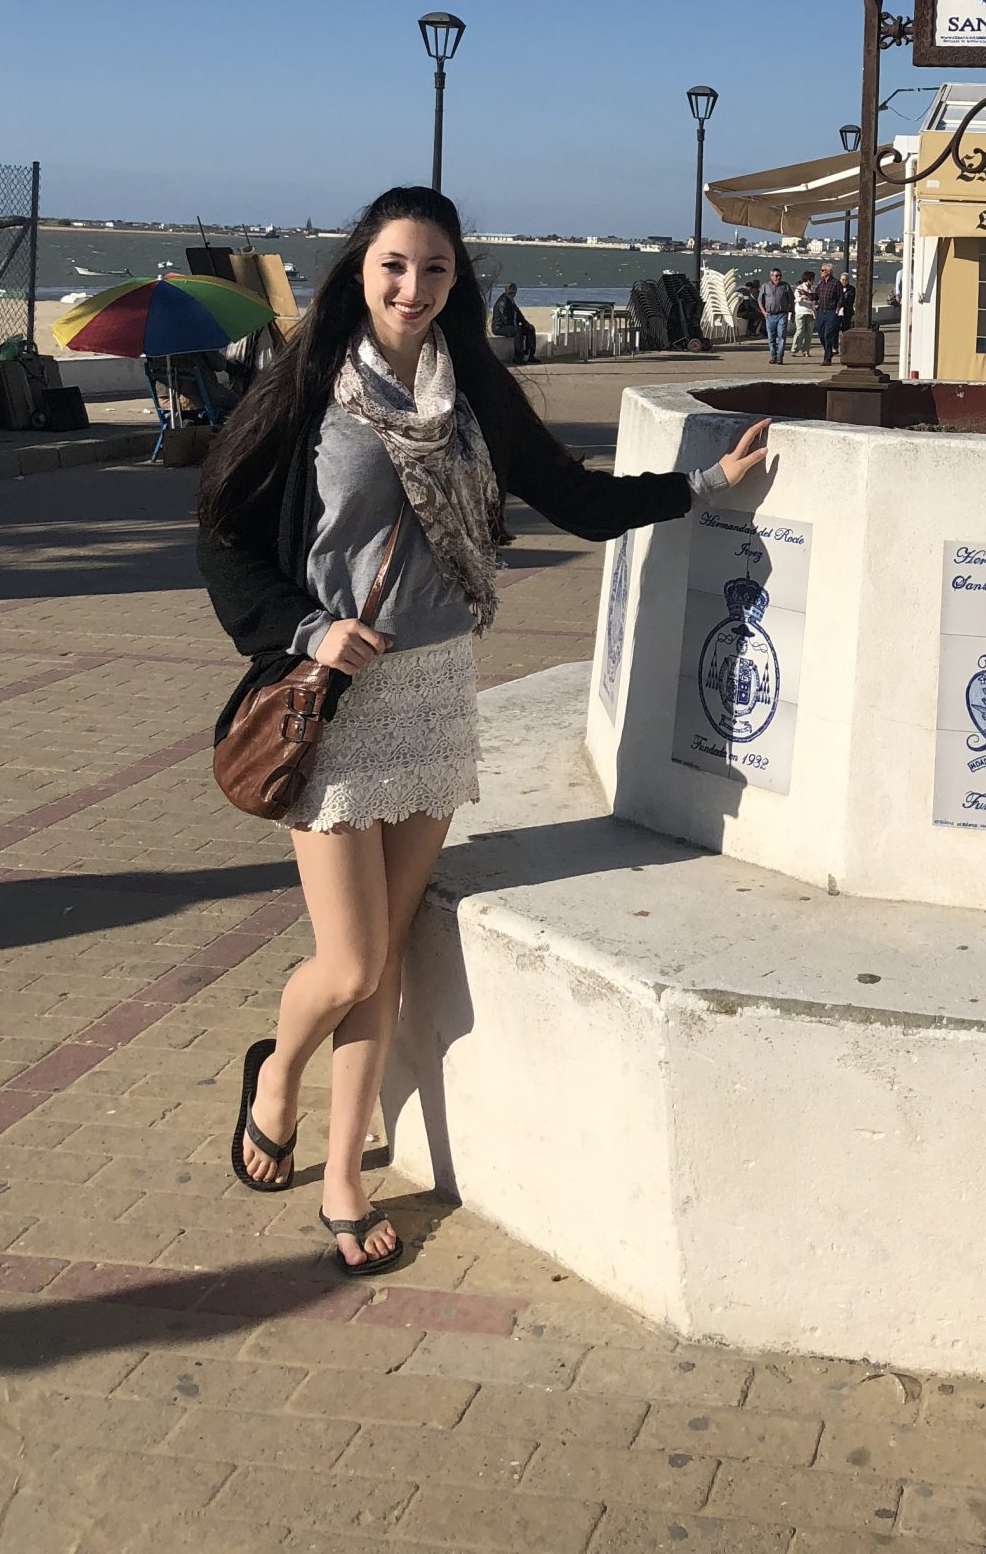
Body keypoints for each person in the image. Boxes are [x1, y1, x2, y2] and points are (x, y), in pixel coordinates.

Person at [198, 186, 768, 1273]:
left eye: (435, 270)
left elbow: (571, 496)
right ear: (361, 270)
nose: (413, 288)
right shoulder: (307, 385)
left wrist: (705, 486)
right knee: (350, 962)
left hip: (435, 690)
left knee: (386, 961)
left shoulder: (470, 387)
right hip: (336, 698)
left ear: (458, 281)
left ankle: (343, 1174)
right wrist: (309, 628)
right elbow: (222, 534)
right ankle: (275, 1072)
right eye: (394, 266)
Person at [489, 280, 537, 365]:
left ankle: (530, 355)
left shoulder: (511, 300)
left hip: (509, 325)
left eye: (514, 291)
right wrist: (515, 326)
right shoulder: (503, 301)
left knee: (530, 329)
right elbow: (505, 318)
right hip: (500, 327)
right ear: (506, 291)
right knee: (518, 331)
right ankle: (518, 357)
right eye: (511, 291)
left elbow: (518, 314)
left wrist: (525, 323)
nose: (513, 293)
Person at [757, 266, 793, 364]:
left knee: (781, 336)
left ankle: (780, 357)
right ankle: (773, 356)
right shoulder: (765, 286)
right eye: (776, 276)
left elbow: (791, 301)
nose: (778, 278)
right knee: (771, 337)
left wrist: (793, 313)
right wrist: (764, 312)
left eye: (780, 275)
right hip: (770, 315)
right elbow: (760, 300)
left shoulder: (786, 286)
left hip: (782, 314)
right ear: (771, 276)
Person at [812, 261, 845, 365]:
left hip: (831, 312)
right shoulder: (821, 283)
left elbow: (841, 297)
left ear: (829, 271)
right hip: (821, 311)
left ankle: (827, 359)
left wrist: (838, 309)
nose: (821, 272)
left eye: (823, 270)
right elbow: (816, 295)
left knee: (828, 334)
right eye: (821, 270)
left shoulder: (836, 283)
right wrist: (807, 294)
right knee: (821, 335)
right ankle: (829, 352)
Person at [791, 272, 818, 359]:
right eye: (812, 279)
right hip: (800, 312)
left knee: (809, 333)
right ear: (808, 280)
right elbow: (795, 300)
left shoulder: (812, 289)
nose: (813, 281)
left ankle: (806, 350)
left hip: (810, 312)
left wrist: (814, 308)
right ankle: (794, 349)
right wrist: (801, 298)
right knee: (800, 331)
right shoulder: (799, 288)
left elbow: (813, 300)